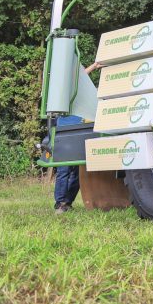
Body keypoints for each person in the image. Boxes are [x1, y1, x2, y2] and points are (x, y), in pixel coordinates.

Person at [54, 61, 101, 214]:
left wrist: (94, 67)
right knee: (64, 168)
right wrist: (93, 67)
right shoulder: (64, 87)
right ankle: (60, 202)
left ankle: (68, 202)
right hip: (66, 126)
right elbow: (76, 80)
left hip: (80, 125)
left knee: (76, 170)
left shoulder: (82, 95)